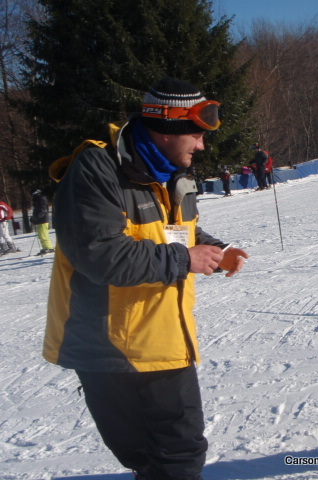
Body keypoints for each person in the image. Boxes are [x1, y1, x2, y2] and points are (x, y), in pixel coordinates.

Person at [43, 77, 249, 480]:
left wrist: (213, 251)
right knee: (141, 455)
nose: (202, 145)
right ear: (167, 127)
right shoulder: (97, 169)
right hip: (109, 348)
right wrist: (184, 259)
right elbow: (101, 255)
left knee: (180, 455)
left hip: (164, 342)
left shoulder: (177, 174)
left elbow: (175, 232)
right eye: (196, 134)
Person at [30, 188, 55, 255]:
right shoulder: (38, 200)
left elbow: (43, 211)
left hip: (43, 220)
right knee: (41, 235)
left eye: (33, 195)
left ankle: (49, 248)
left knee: (43, 234)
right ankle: (45, 247)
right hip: (40, 220)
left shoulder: (41, 199)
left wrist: (36, 217)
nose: (32, 197)